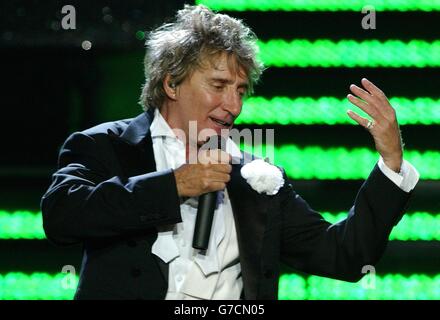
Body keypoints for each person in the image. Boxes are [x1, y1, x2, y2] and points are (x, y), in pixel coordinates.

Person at [41, 5, 419, 300]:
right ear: (171, 83)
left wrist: (391, 163)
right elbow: (62, 217)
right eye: (219, 85)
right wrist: (173, 185)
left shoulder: (255, 175)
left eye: (240, 90)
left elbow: (344, 256)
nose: (233, 106)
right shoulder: (104, 144)